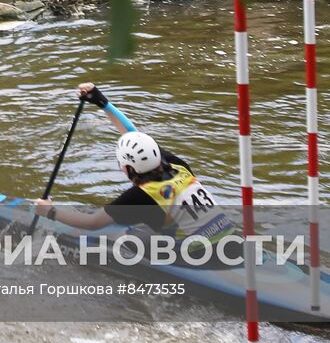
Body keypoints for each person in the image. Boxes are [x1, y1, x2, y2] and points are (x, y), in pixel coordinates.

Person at [33, 82, 236, 247]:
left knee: (126, 239)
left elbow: (92, 223)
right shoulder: (177, 165)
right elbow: (133, 135)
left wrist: (50, 212)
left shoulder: (140, 195)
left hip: (203, 255)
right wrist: (101, 102)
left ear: (129, 168)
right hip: (231, 238)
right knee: (140, 219)